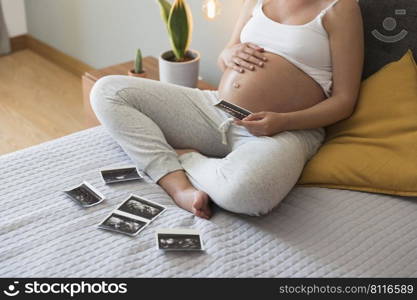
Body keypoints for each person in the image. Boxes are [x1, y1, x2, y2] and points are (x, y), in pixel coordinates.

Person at [91, 0, 364, 219]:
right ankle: (176, 184)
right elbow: (227, 53)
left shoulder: (340, 8)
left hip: (284, 130)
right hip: (216, 109)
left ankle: (188, 157)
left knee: (247, 194)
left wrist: (283, 122)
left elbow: (344, 101)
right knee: (108, 91)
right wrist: (228, 55)